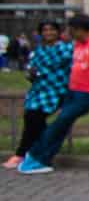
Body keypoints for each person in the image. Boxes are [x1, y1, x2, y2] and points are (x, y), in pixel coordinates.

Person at [18, 14, 89, 175]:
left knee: (61, 122)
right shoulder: (79, 42)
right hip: (74, 89)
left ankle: (36, 155)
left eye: (72, 30)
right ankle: (40, 156)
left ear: (80, 29)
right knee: (61, 124)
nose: (70, 35)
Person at [5, 20, 70, 170]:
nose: (48, 33)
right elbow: (31, 68)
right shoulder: (38, 51)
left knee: (34, 118)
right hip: (39, 90)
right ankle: (35, 153)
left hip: (56, 90)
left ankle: (23, 153)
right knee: (31, 119)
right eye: (45, 30)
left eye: (52, 30)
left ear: (58, 32)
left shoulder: (65, 49)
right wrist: (30, 74)